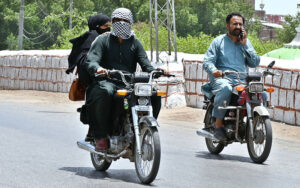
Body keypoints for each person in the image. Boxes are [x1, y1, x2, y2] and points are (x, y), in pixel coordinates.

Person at [85, 8, 161, 151]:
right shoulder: (103, 40)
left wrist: (157, 71)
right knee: (105, 92)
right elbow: (92, 60)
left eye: (125, 20)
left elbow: (145, 63)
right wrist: (98, 69)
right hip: (106, 80)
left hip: (128, 82)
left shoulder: (135, 42)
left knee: (154, 94)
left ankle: (144, 128)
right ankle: (101, 135)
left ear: (130, 22)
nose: (121, 23)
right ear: (112, 22)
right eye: (116, 20)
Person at [203, 12, 260, 141]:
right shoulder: (218, 41)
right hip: (222, 79)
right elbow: (207, 61)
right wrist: (214, 70)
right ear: (227, 25)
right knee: (226, 89)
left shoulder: (245, 43)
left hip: (241, 80)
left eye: (240, 24)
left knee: (261, 92)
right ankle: (218, 124)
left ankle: (255, 120)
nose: (238, 26)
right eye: (235, 24)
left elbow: (255, 62)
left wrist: (245, 45)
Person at [66, 13, 111, 85]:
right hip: (93, 80)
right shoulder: (92, 37)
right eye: (105, 26)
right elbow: (86, 60)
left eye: (109, 26)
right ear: (97, 26)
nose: (108, 28)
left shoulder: (105, 38)